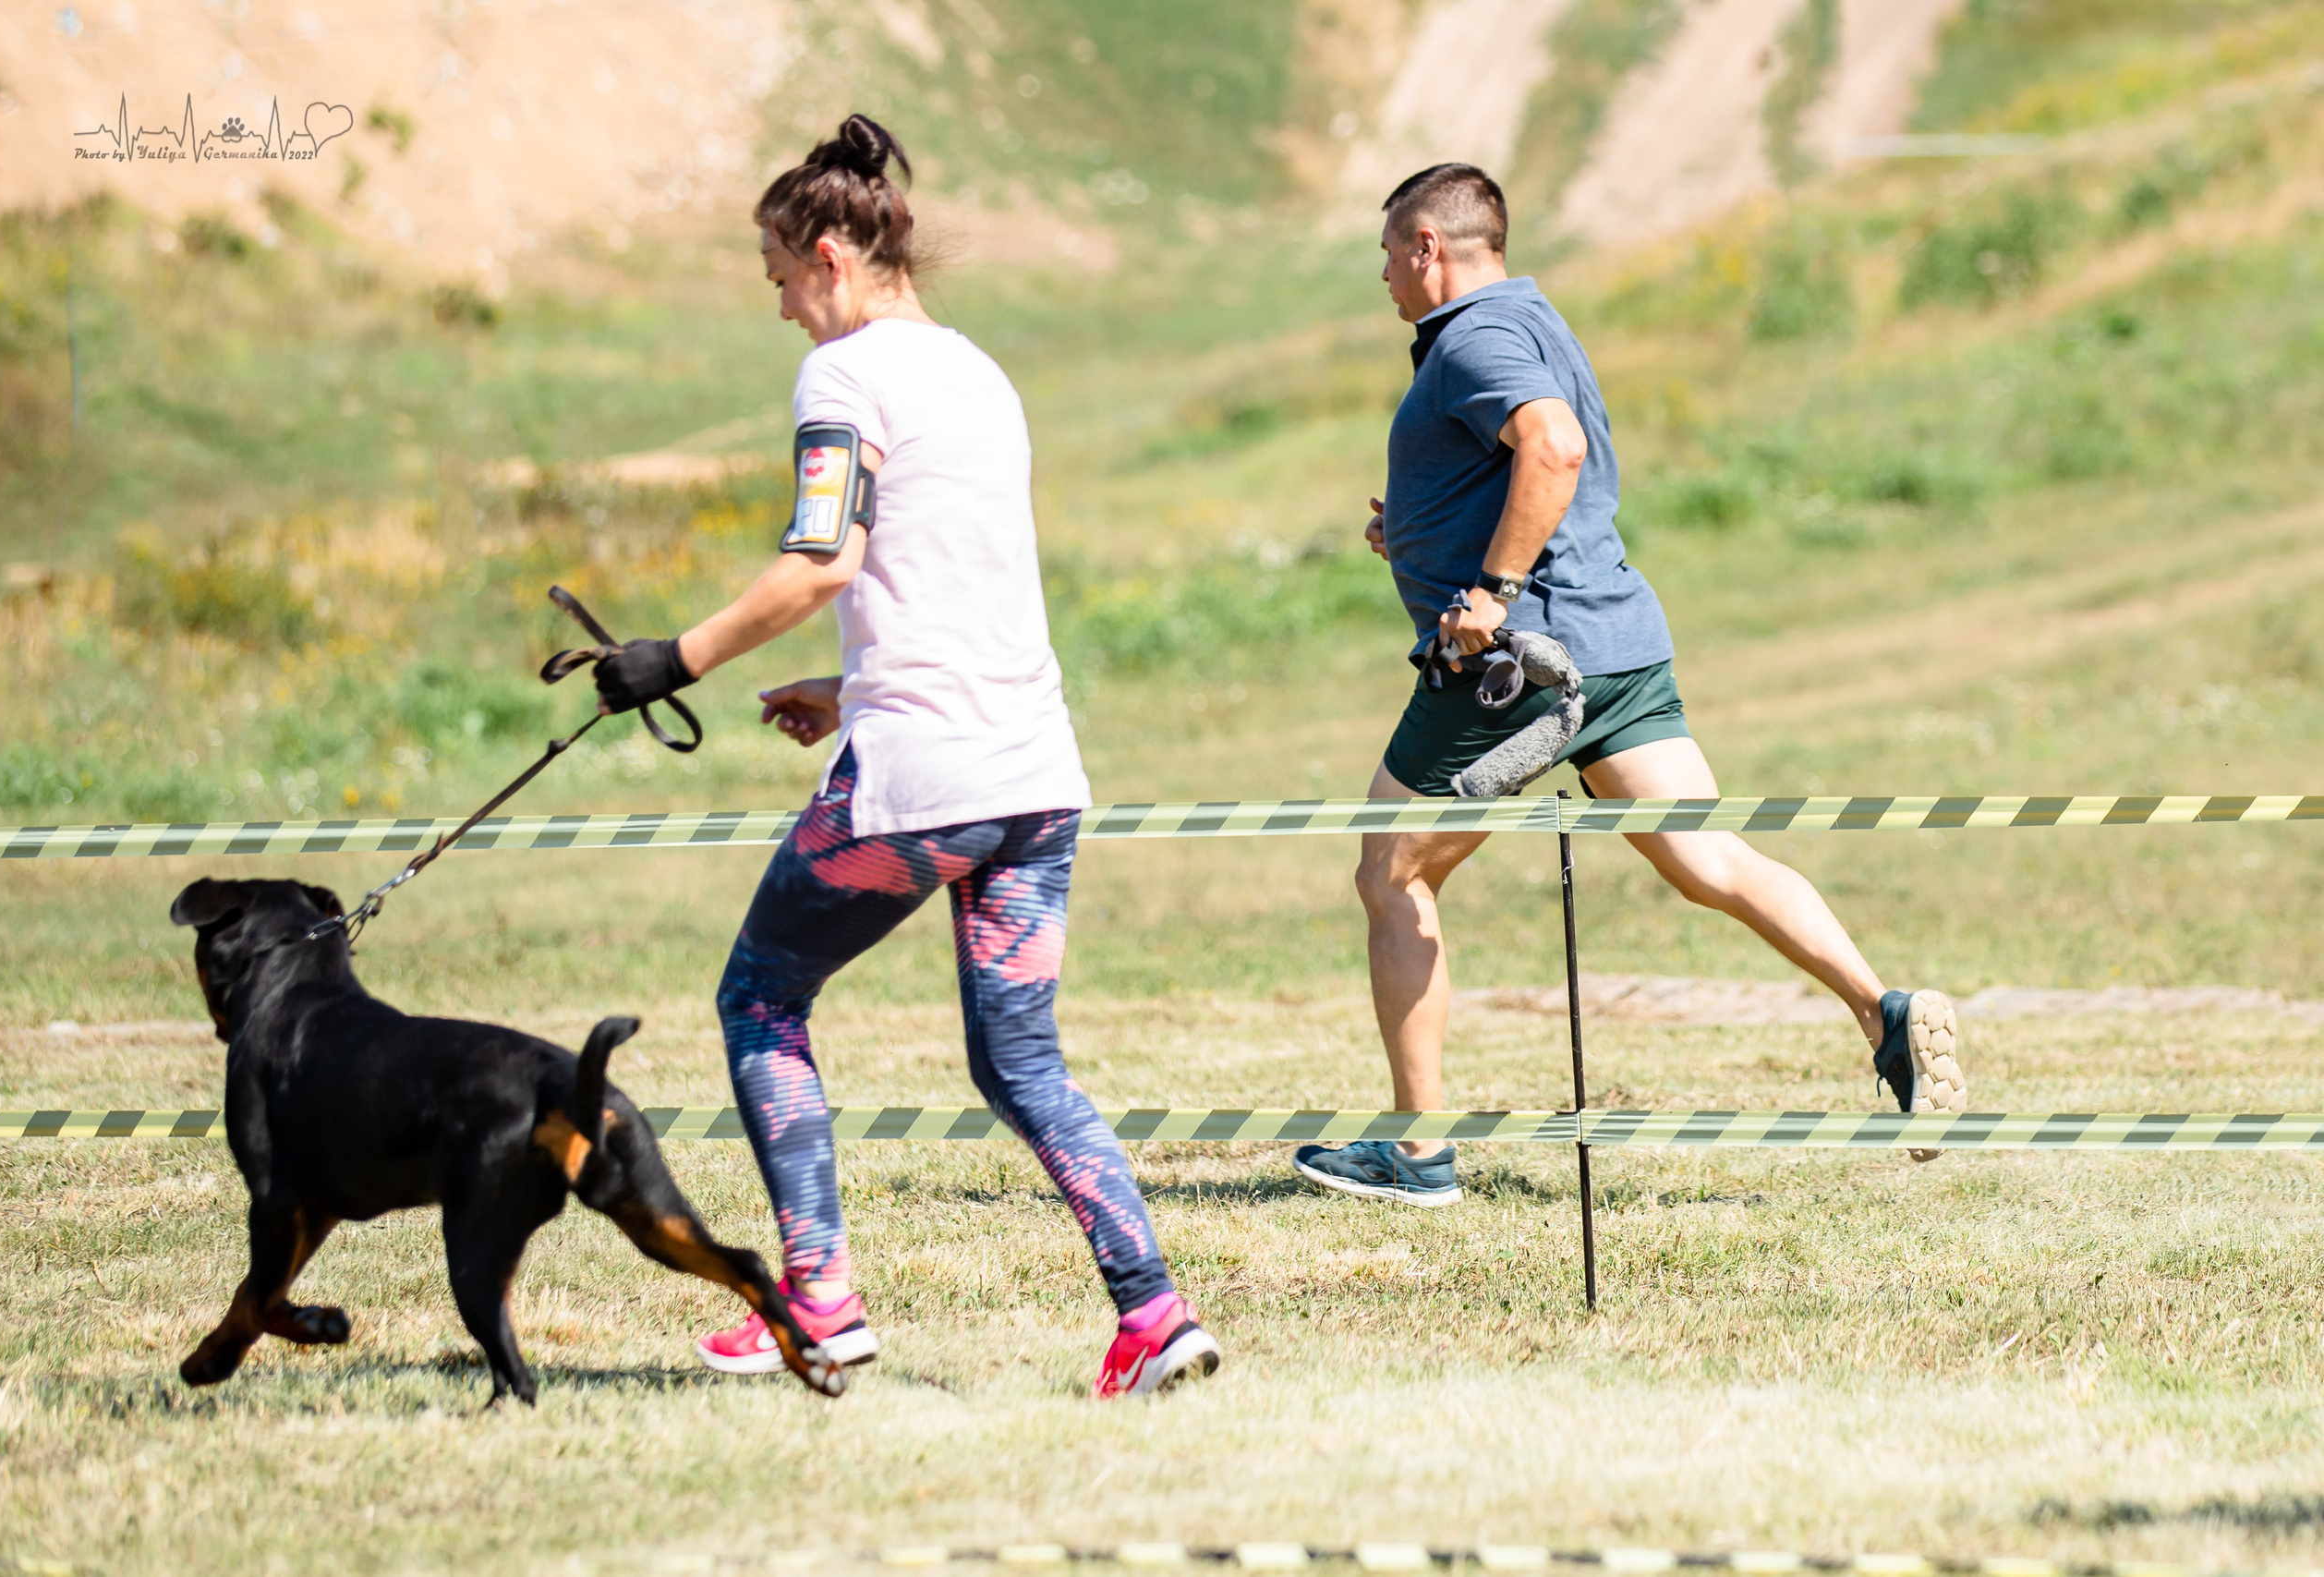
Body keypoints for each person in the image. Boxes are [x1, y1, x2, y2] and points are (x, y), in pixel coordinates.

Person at [591, 115, 1221, 1397]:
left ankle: (817, 1301)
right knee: (1021, 1059)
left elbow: (824, 558)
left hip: (925, 782)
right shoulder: (980, 371)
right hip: (1034, 772)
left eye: (778, 279)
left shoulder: (846, 376)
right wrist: (850, 679)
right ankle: (1154, 1312)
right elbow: (952, 568)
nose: (780, 310)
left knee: (759, 1000)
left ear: (829, 254)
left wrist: (678, 655)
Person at [1292, 164, 1967, 1207]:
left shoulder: (1473, 337)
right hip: (1616, 648)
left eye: (1387, 253)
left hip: (1521, 666)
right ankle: (1884, 1012)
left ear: (1428, 246)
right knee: (1709, 857)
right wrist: (1420, 530)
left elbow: (1550, 450)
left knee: (1391, 873)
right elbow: (1529, 463)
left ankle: (1417, 1152)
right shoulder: (1533, 320)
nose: (1382, 277)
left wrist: (1491, 589)